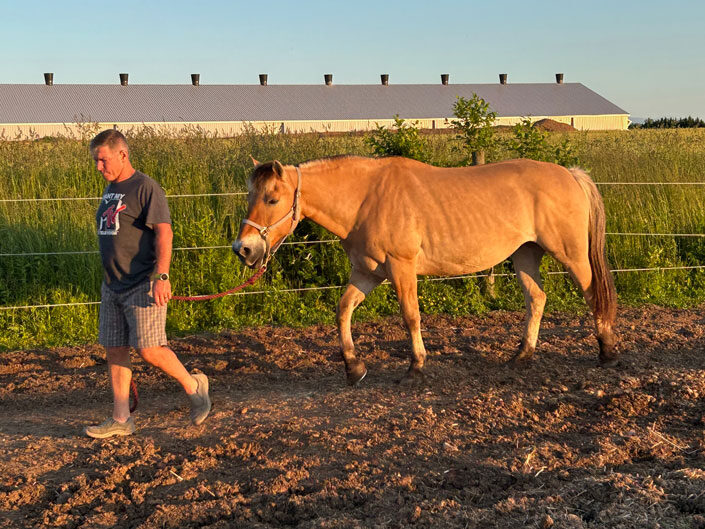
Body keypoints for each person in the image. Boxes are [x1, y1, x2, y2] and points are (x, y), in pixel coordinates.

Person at [85, 129, 211, 438]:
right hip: (112, 285)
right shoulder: (111, 189)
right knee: (115, 349)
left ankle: (195, 386)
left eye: (102, 160)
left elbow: (164, 233)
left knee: (149, 349)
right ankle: (120, 418)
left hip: (142, 282)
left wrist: (161, 275)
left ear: (122, 154)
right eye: (96, 162)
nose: (98, 168)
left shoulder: (145, 187)